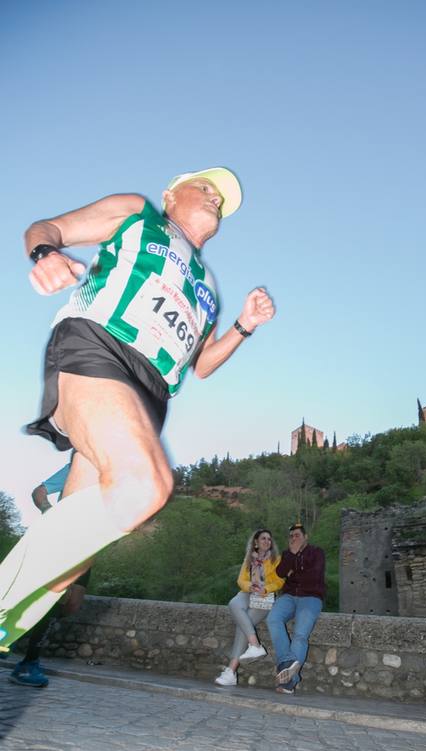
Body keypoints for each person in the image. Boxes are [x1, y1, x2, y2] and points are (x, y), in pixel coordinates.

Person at [0, 167, 274, 652]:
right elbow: (46, 229)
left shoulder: (207, 288)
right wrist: (45, 254)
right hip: (98, 350)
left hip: (148, 397)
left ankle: (12, 627)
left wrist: (244, 326)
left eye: (222, 200)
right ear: (171, 195)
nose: (215, 199)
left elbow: (203, 364)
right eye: (205, 188)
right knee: (146, 483)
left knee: (70, 567)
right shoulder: (138, 214)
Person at [10, 460, 91, 686]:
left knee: (72, 604)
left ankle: (18, 632)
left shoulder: (119, 480)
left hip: (87, 548)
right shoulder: (79, 468)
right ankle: (28, 663)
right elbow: (39, 492)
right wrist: (48, 510)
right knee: (52, 597)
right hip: (59, 540)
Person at [215, 529, 284, 686]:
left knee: (243, 626)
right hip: (248, 592)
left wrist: (265, 588)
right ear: (256, 542)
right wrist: (250, 586)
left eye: (269, 539)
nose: (267, 541)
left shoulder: (276, 560)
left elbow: (281, 582)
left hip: (264, 597)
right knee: (233, 603)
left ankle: (231, 672)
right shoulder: (249, 559)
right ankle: (255, 645)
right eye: (263, 538)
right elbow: (241, 580)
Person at [266, 523, 325, 695]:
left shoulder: (317, 552)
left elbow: (314, 576)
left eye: (297, 535)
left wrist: (295, 572)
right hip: (289, 596)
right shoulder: (287, 554)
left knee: (300, 636)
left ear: (306, 537)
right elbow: (280, 572)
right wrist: (292, 556)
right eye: (291, 536)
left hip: (311, 597)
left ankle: (289, 682)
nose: (293, 538)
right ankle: (287, 663)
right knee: (273, 618)